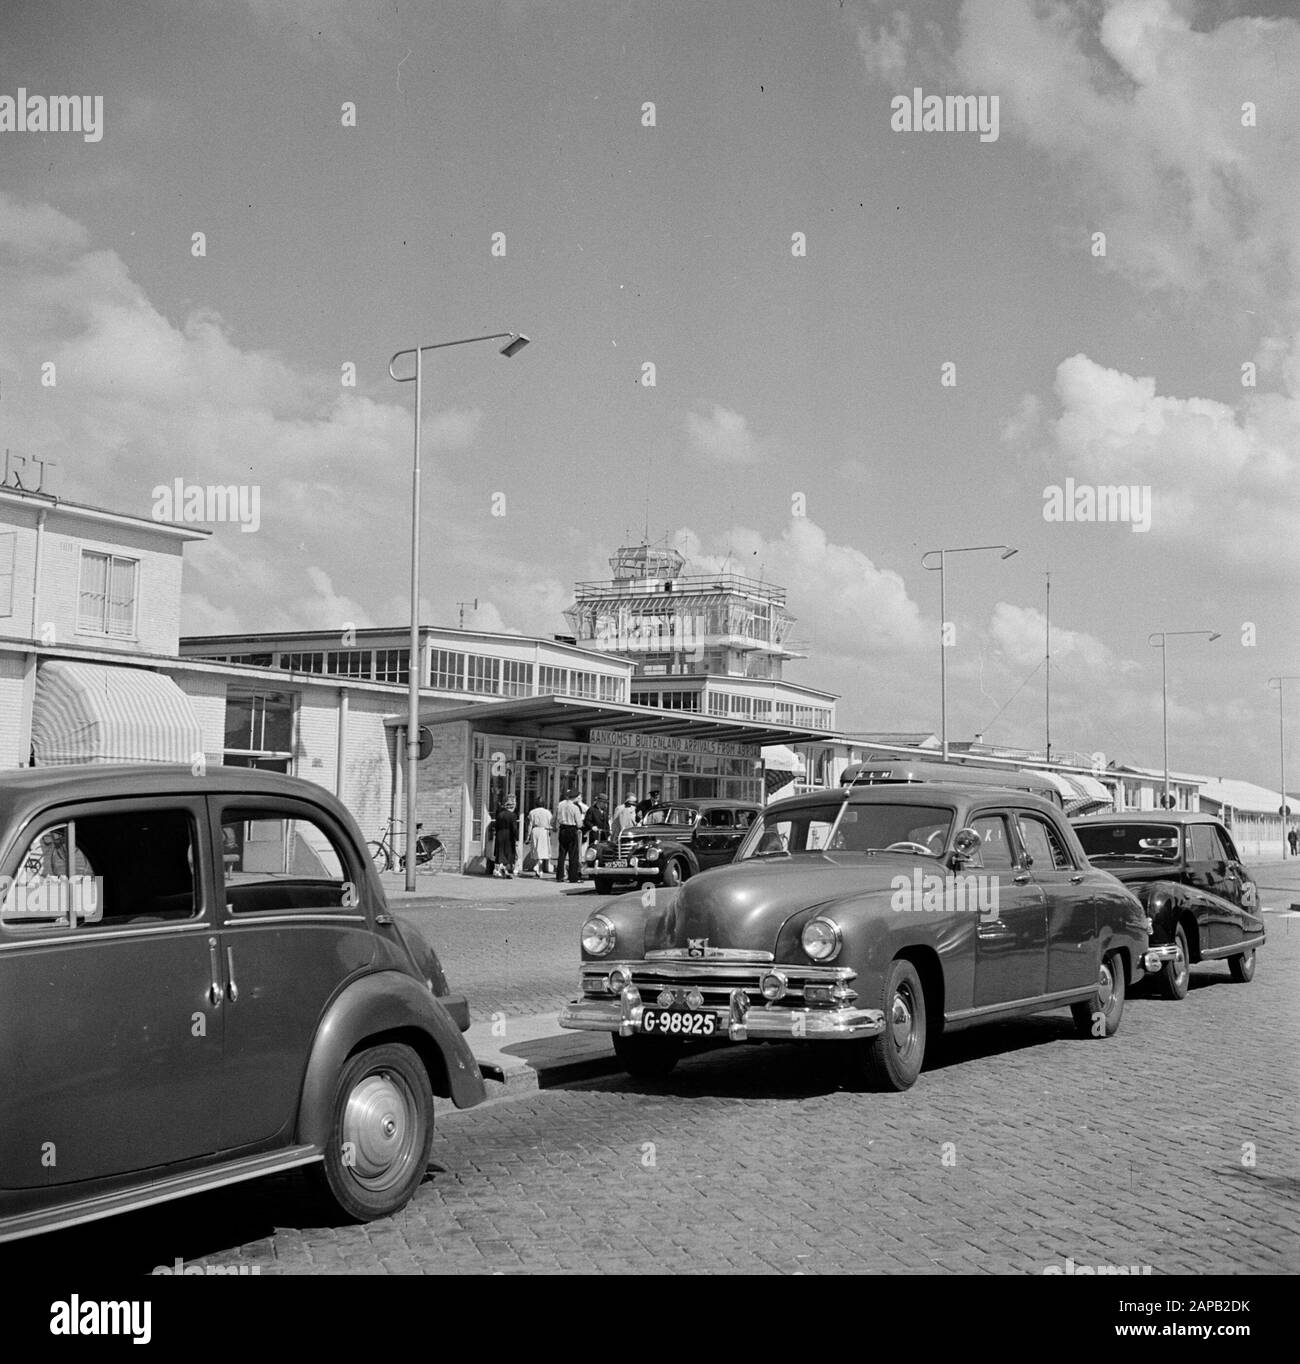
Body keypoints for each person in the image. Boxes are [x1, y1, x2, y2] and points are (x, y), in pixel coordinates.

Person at [555, 787, 584, 885]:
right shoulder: (575, 807)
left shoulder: (560, 804)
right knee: (573, 855)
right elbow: (579, 824)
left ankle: (559, 876)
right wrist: (581, 825)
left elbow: (555, 818)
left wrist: (554, 825)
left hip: (562, 829)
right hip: (572, 829)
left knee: (562, 853)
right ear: (575, 797)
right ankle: (573, 877)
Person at [527, 801, 555, 878]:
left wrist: (528, 836)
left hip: (535, 830)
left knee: (536, 849)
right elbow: (551, 823)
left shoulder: (532, 812)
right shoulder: (547, 812)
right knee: (542, 850)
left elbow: (530, 824)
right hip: (544, 831)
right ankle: (539, 867)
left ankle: (538, 868)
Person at [491, 798, 518, 878]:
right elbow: (514, 828)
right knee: (508, 852)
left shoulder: (500, 814)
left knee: (500, 852)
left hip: (500, 834)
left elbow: (496, 826)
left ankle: (500, 868)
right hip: (509, 835)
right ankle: (504, 868)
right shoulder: (512, 815)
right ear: (511, 807)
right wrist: (516, 837)